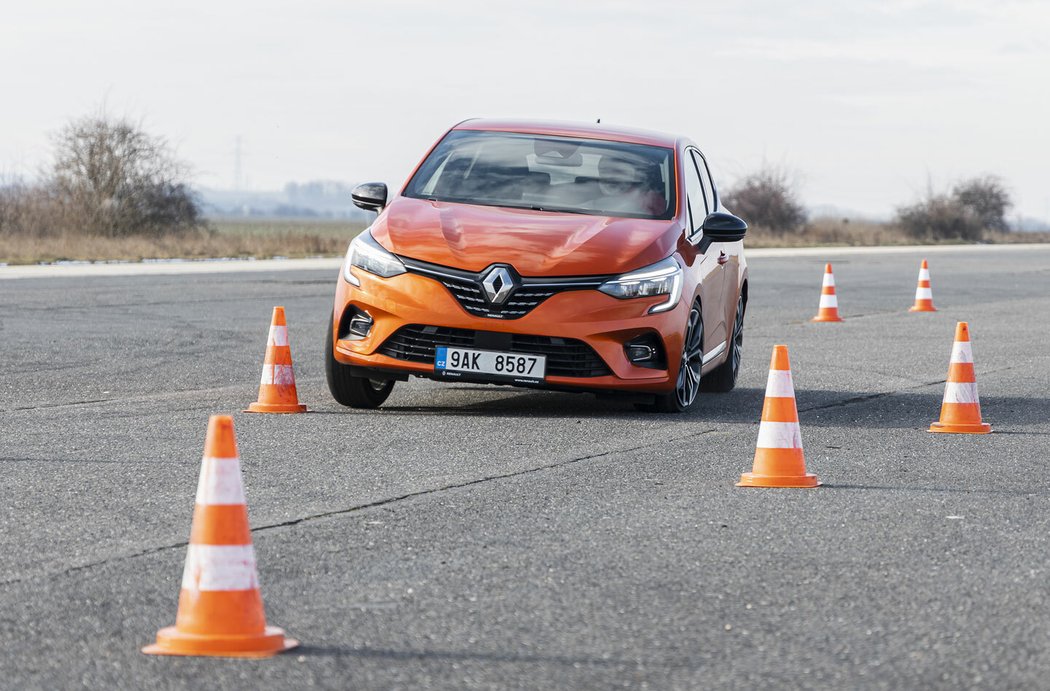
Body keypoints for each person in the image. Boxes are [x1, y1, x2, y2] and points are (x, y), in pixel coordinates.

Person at [592, 154, 666, 216]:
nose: (610, 177)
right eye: (604, 171)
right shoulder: (587, 201)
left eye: (618, 171)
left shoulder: (651, 202)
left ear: (634, 175)